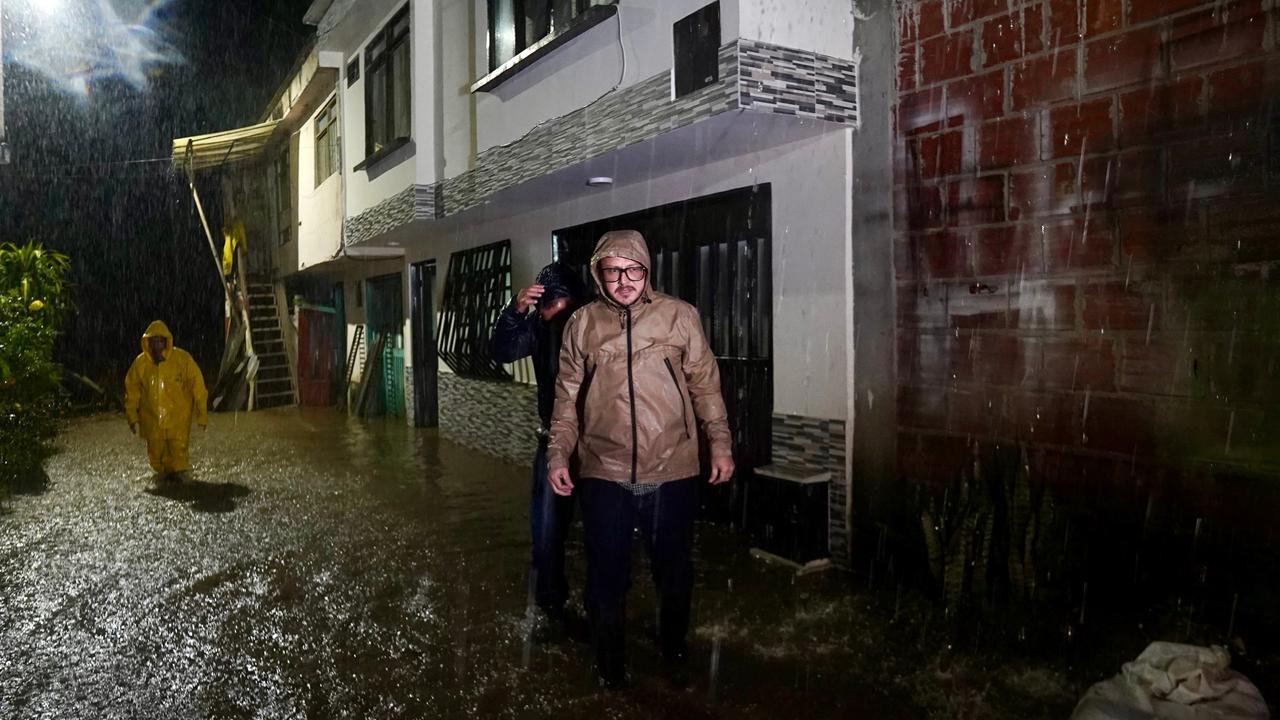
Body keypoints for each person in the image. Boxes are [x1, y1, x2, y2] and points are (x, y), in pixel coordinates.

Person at [547, 229, 735, 688]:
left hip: (672, 466)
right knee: (606, 574)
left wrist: (721, 443)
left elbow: (706, 385)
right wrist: (558, 453)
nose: (624, 281)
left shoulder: (679, 316)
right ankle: (610, 667)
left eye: (633, 270)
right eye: (613, 272)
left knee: (674, 569)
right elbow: (566, 397)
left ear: (647, 270)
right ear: (599, 274)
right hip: (603, 468)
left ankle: (673, 644)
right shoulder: (582, 324)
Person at [489, 262, 588, 642]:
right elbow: (501, 351)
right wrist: (515, 311)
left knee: (605, 530)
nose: (550, 313)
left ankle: (603, 608)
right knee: (546, 532)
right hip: (552, 440)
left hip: (597, 444)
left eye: (556, 305)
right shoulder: (538, 326)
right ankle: (552, 608)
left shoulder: (594, 325)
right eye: (544, 306)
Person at [124, 320, 208, 481]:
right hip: (152, 419)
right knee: (156, 454)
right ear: (147, 343)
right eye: (153, 341)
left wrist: (202, 414)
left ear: (166, 341)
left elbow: (198, 387)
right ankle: (164, 477)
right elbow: (131, 391)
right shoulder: (140, 364)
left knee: (179, 451)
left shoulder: (182, 360)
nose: (157, 345)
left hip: (178, 418)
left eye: (160, 341)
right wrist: (132, 417)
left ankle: (180, 476)